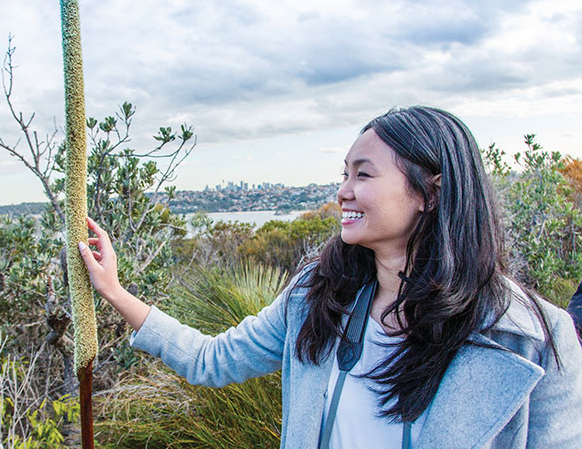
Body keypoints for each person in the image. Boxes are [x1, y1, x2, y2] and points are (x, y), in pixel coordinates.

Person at [77, 106, 582, 448]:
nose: (343, 191)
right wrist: (115, 292)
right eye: (344, 174)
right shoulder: (317, 298)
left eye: (363, 175)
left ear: (431, 193)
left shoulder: (534, 338)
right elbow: (213, 360)